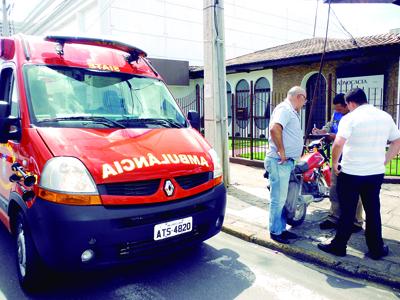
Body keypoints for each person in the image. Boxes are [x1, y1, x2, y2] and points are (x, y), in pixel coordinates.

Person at [318, 88, 400, 259]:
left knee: (347, 211)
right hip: (375, 173)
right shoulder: (385, 116)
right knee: (372, 211)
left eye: (347, 105)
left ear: (351, 103)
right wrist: (385, 160)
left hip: (351, 173)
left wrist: (334, 164)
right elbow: (397, 141)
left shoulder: (350, 118)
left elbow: (338, 144)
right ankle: (376, 249)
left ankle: (339, 246)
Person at [312, 93, 363, 233]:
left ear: (348, 105)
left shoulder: (355, 118)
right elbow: (329, 128)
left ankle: (356, 222)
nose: (338, 111)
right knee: (334, 190)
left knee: (353, 193)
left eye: (340, 109)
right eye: (336, 109)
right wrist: (320, 131)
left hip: (351, 160)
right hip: (337, 159)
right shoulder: (336, 115)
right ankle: (334, 217)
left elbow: (353, 138)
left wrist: (334, 137)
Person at [265, 86, 307, 244]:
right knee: (278, 199)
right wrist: (282, 151)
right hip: (279, 162)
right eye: (304, 100)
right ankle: (275, 231)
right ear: (300, 97)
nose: (304, 104)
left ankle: (281, 228)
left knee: (283, 199)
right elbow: (275, 129)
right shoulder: (284, 109)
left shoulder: (290, 111)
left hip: (285, 163)